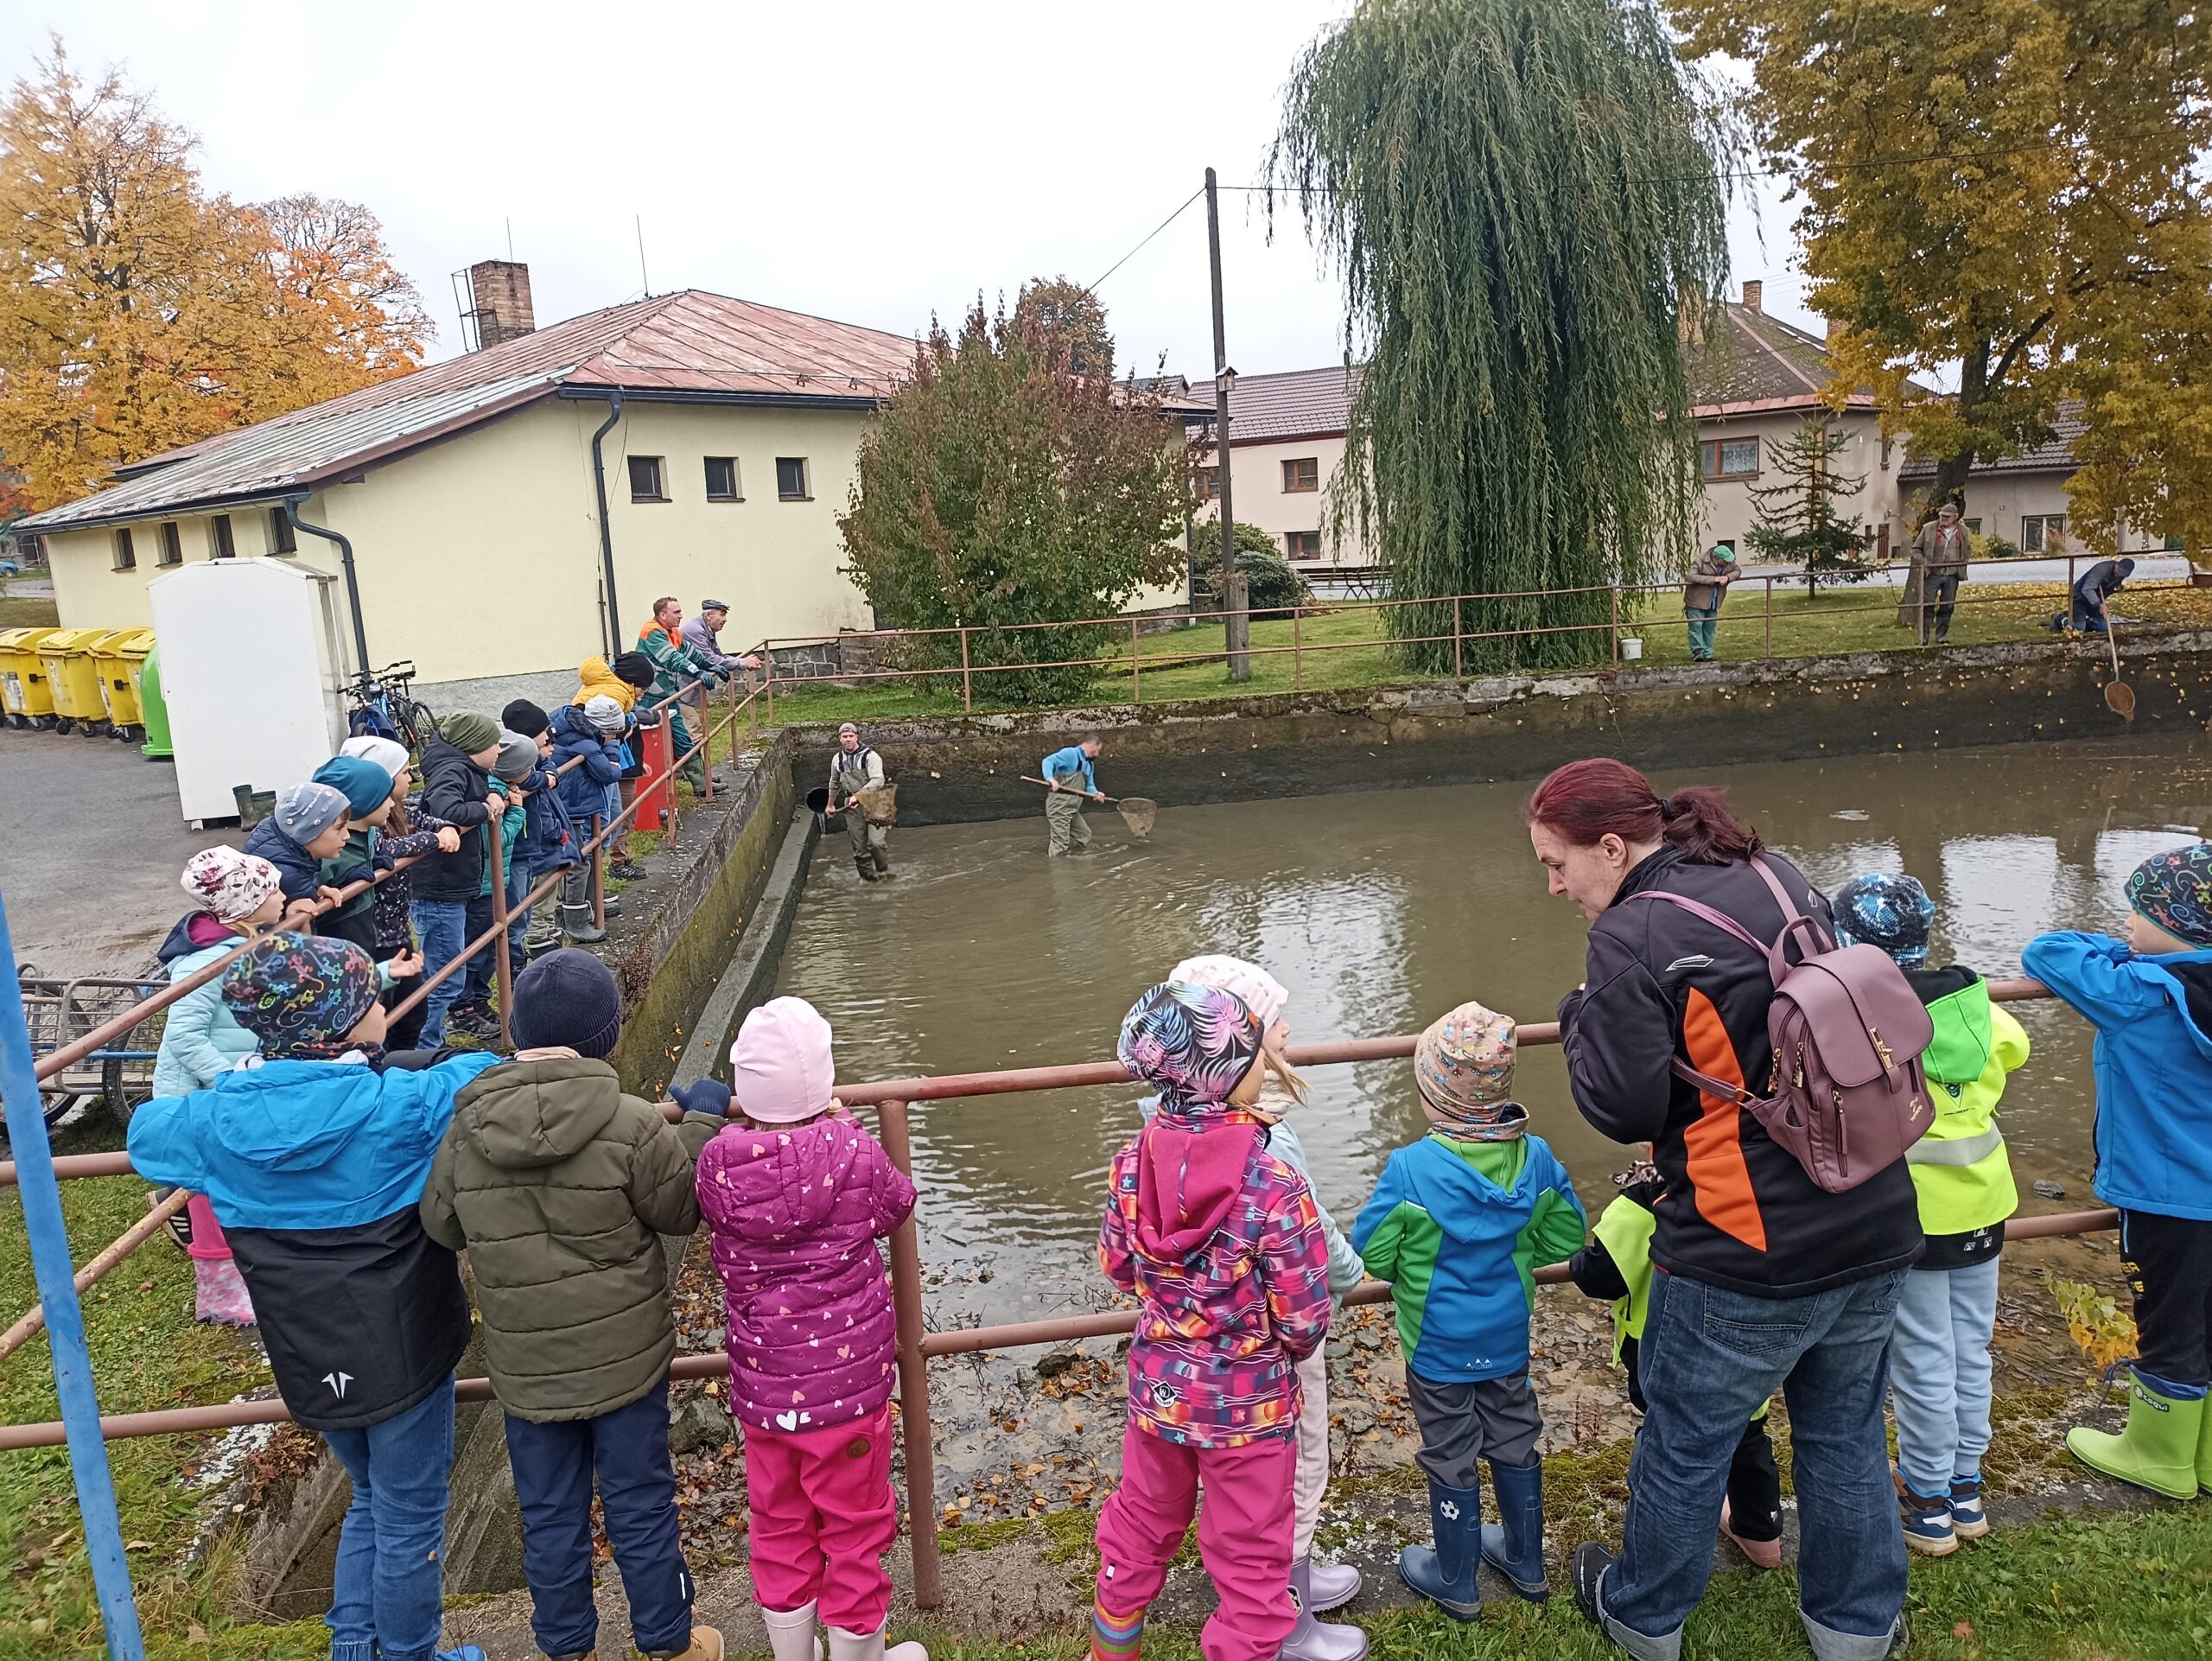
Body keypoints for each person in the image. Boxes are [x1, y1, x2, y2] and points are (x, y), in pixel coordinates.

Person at [1529, 757, 1919, 1661]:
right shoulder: (1774, 872)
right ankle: (1855, 1627)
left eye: (1556, 863)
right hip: (1872, 1209)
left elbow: (1622, 1105)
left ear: (1613, 847)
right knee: (1845, 1431)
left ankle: (1643, 1614)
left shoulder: (1631, 931)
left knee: (1686, 1440)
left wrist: (1578, 1012)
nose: (1553, 886)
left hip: (1745, 1243)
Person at [127, 932, 502, 1661]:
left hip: (306, 1352)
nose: (383, 1005)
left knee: (370, 1494)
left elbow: (147, 1135)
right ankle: (411, 1655)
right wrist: (408, 1063)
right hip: (407, 1347)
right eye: (372, 997)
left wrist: (237, 1091)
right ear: (347, 1023)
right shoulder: (401, 1108)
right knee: (411, 1514)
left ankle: (353, 1647)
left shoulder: (214, 1127)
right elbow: (487, 1073)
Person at [420, 951, 726, 1661]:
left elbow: (441, 1225)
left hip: (528, 1371)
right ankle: (668, 1642)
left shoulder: (467, 1132)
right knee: (640, 1503)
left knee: (548, 1513)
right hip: (626, 1364)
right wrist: (702, 1122)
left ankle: (566, 1646)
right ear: (606, 1035)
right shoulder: (631, 1122)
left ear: (515, 1030)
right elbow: (681, 1209)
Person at [1090, 982, 1332, 1661]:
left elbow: (1118, 1266)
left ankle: (1109, 1654)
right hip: (1249, 1412)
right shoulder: (1275, 1184)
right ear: (1225, 1074)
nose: (1262, 1064)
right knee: (1252, 1561)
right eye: (1251, 1054)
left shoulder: (1130, 1166)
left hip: (1159, 1394)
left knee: (1139, 1526)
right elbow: (1304, 1318)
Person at [693, 998, 928, 1661]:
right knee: (855, 1531)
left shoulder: (717, 1165)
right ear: (824, 1084)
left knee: (779, 1526)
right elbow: (898, 1202)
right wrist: (843, 1124)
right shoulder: (851, 1149)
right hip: (849, 1394)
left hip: (765, 1393)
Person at [1153, 956, 1368, 1661]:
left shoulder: (1162, 1133)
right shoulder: (1268, 1139)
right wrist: (1350, 1276)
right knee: (1297, 1467)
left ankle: (1285, 1584)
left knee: (1241, 1488)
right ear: (1238, 1044)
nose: (1289, 1030)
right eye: (1276, 1019)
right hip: (1273, 1348)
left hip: (1193, 1350)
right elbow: (1313, 1235)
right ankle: (1289, 1618)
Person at [1353, 1001, 1586, 1619]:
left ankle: (1456, 1579)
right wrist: (1521, 1248)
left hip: (1436, 1345)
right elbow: (1567, 1236)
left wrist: (1411, 1268)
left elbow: (1373, 1253)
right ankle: (1526, 1561)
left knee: (1450, 1449)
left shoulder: (1410, 1169)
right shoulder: (1537, 1158)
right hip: (1505, 1336)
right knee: (1515, 1434)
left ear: (1434, 1095)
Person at [1829, 873, 2025, 1553]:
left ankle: (1928, 1501)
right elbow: (2016, 1047)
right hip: (1986, 1205)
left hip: (1913, 1216)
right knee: (1971, 1349)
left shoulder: (1865, 1018)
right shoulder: (1976, 1007)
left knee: (1922, 1361)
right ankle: (1967, 1486)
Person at [2024, 844, 2212, 1502]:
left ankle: (2157, 1455)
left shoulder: (2140, 993)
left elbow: (2047, 951)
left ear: (2176, 925)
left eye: (2140, 913)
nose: (2127, 924)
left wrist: (2126, 953)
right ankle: (2206, 1456)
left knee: (2166, 1320)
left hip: (2169, 1199)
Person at [1567, 1159, 1785, 1570]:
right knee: (1748, 1435)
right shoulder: (1771, 1181)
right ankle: (1762, 1537)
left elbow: (1601, 1275)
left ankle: (1658, 1561)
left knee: (1669, 1446)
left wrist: (1548, 1269)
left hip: (1667, 1351)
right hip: (1750, 1344)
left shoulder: (1647, 1197)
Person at [152, 847, 287, 1327]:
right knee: (212, 1191)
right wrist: (229, 1079)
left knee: (230, 1182)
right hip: (204, 1092)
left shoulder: (244, 944)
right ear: (245, 904)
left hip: (230, 1083)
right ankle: (220, 1293)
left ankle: (238, 1265)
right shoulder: (207, 964)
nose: (283, 895)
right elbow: (184, 1036)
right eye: (272, 889)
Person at [410, 711, 510, 1047]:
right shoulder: (451, 770)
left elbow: (469, 794)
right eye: (494, 743)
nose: (499, 750)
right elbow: (447, 811)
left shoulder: (465, 767)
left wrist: (489, 796)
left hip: (452, 885)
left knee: (449, 972)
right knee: (444, 976)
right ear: (474, 746)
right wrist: (486, 807)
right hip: (440, 889)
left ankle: (432, 1041)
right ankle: (425, 1048)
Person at [449, 732, 533, 1039]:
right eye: (528, 766)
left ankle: (479, 999)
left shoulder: (498, 789)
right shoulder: (492, 797)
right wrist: (518, 811)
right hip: (482, 885)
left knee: (487, 946)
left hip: (492, 883)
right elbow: (495, 840)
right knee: (476, 947)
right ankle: (463, 1007)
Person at [549, 694, 628, 943]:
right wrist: (611, 749)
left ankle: (589, 907)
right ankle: (576, 921)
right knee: (579, 862)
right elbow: (609, 774)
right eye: (613, 732)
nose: (614, 736)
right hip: (570, 807)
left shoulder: (568, 725)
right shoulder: (586, 743)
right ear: (602, 729)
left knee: (585, 855)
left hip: (567, 803)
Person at [309, 754, 397, 954]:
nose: (392, 804)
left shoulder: (367, 834)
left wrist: (372, 866)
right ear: (365, 801)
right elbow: (310, 906)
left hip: (364, 934)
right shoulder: (328, 850)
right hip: (337, 949)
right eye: (386, 797)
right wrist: (345, 890)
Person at [638, 597, 722, 795]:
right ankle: (693, 782)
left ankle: (701, 780)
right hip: (651, 696)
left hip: (667, 695)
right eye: (676, 612)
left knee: (681, 737)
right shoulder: (652, 633)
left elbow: (690, 653)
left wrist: (710, 665)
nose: (681, 616)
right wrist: (697, 672)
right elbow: (673, 658)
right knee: (657, 741)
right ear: (662, 615)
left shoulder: (672, 632)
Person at [241, 780, 351, 923]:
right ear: (308, 830)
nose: (347, 836)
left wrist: (316, 894)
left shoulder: (282, 845)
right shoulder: (288, 875)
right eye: (339, 828)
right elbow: (304, 932)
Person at [829, 722, 893, 881]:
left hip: (875, 801)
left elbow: (878, 780)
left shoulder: (871, 756)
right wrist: (830, 805)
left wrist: (859, 795)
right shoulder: (837, 760)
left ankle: (883, 873)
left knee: (876, 843)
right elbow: (834, 783)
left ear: (857, 737)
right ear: (840, 739)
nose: (848, 739)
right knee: (859, 847)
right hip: (851, 806)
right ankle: (867, 880)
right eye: (845, 737)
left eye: (851, 736)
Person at [1910, 500, 1971, 645]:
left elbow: (1967, 550)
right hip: (1932, 574)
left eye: (1947, 517)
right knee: (1927, 605)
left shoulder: (1962, 531)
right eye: (1942, 516)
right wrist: (1924, 562)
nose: (1943, 519)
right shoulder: (1929, 528)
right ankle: (1924, 637)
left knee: (1947, 606)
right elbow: (1916, 549)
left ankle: (1941, 636)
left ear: (1955, 517)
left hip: (1952, 575)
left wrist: (1962, 564)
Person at [680, 600, 761, 705]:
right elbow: (711, 659)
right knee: (689, 716)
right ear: (708, 615)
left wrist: (742, 661)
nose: (725, 619)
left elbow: (718, 655)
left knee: (694, 715)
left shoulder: (707, 628)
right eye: (722, 615)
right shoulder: (696, 630)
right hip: (680, 688)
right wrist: (743, 663)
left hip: (688, 686)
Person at [1042, 735, 1105, 856]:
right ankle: (1057, 862)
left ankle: (1079, 861)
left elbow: (1090, 785)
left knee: (1085, 836)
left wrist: (1096, 793)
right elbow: (1048, 761)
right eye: (1096, 750)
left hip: (1073, 809)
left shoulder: (1089, 765)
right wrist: (1050, 778)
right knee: (1060, 844)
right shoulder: (1070, 754)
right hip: (1059, 808)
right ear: (1090, 745)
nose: (1097, 754)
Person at [1681, 545, 1737, 663]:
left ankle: (1708, 654)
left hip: (1714, 601)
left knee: (1710, 628)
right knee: (1696, 626)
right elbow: (1690, 576)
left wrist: (1728, 577)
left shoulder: (1729, 562)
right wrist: (1714, 580)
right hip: (1696, 600)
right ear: (1717, 559)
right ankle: (1698, 653)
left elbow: (1737, 571)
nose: (1727, 563)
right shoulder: (1700, 560)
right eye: (1725, 561)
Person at [2068, 557, 2136, 633]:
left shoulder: (2120, 575)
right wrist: (2099, 605)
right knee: (2079, 629)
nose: (2119, 575)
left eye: (2122, 574)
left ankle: (2083, 623)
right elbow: (2087, 589)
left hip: (2095, 601)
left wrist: (2118, 585)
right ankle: (2063, 620)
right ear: (2117, 565)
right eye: (2118, 572)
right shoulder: (2100, 569)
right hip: (2079, 598)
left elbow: (2114, 582)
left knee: (2103, 627)